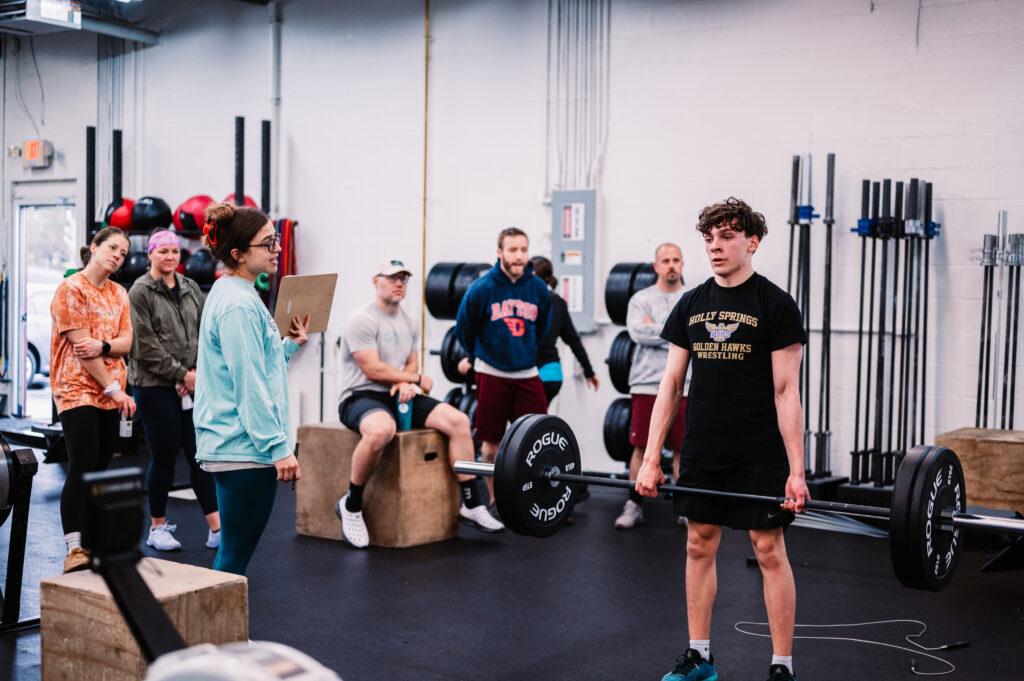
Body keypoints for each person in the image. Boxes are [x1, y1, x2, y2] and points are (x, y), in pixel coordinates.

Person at [635, 198, 809, 681]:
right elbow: (669, 386)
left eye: (727, 236)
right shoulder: (690, 304)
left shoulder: (775, 304)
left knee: (769, 549)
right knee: (698, 544)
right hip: (704, 448)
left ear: (751, 242)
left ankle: (781, 665)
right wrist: (651, 460)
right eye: (709, 238)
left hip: (758, 450)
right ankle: (699, 658)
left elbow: (785, 389)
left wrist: (797, 470)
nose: (715, 246)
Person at [335, 258, 504, 548]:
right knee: (380, 431)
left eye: (403, 278)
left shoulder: (409, 320)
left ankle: (472, 503)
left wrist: (405, 381)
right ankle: (351, 504)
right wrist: (412, 378)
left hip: (396, 392)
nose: (399, 283)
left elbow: (410, 359)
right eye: (392, 277)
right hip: (360, 395)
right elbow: (372, 369)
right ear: (376, 281)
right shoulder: (361, 319)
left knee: (459, 421)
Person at [193, 202, 309, 576]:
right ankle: (213, 635)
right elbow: (249, 385)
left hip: (239, 446)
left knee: (232, 555)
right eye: (268, 242)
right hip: (245, 449)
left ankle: (216, 634)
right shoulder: (239, 305)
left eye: (275, 239)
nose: (277, 248)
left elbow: (257, 366)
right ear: (238, 253)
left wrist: (289, 344)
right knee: (232, 561)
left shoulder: (236, 294)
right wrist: (278, 447)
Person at [50, 227, 136, 573]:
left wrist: (105, 345)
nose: (118, 255)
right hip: (77, 388)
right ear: (94, 248)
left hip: (111, 391)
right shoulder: (71, 289)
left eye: (124, 252)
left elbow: (126, 342)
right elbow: (81, 350)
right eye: (112, 247)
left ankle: (93, 540)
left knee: (100, 467)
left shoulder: (119, 293)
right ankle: (74, 548)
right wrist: (115, 389)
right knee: (82, 463)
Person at [128, 229, 220, 552]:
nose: (170, 257)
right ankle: (157, 527)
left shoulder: (191, 287)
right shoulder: (140, 291)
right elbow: (144, 345)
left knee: (200, 455)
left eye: (175, 252)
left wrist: (193, 372)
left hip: (188, 382)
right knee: (164, 455)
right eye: (163, 251)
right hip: (153, 386)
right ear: (150, 254)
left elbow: (203, 332)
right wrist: (182, 373)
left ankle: (216, 528)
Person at [454, 227, 552, 508]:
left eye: (523, 249)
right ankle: (497, 499)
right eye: (512, 250)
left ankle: (530, 496)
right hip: (492, 373)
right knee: (491, 442)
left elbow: (543, 328)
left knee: (536, 438)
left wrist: (526, 352)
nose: (519, 256)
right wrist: (478, 357)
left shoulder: (538, 289)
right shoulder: (482, 288)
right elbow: (464, 329)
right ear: (500, 253)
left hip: (526, 373)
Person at [614, 243, 688, 530]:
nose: (671, 265)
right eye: (665, 260)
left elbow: (694, 335)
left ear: (682, 264)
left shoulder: (691, 298)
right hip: (646, 383)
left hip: (686, 384)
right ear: (656, 266)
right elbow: (637, 332)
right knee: (641, 447)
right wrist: (676, 330)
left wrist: (655, 326)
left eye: (676, 260)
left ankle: (684, 506)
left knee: (684, 449)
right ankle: (634, 504)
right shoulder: (640, 299)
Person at [529, 255, 599, 405]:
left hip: (531, 374)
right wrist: (589, 371)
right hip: (553, 374)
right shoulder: (558, 302)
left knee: (524, 424)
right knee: (535, 423)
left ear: (532, 275)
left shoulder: (527, 302)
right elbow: (573, 340)